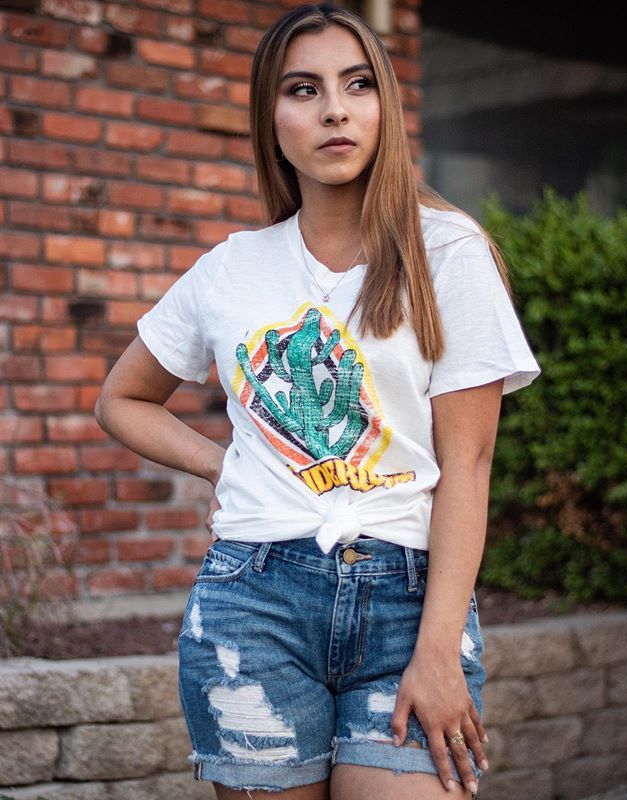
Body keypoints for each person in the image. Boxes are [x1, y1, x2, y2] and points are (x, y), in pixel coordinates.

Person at [95, 4, 540, 799]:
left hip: (410, 599)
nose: (334, 108)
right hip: (252, 598)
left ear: (384, 107)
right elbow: (122, 399)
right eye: (303, 89)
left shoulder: (449, 254)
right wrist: (221, 463)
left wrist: (439, 647)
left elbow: (468, 465)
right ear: (271, 120)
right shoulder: (231, 269)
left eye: (357, 84)